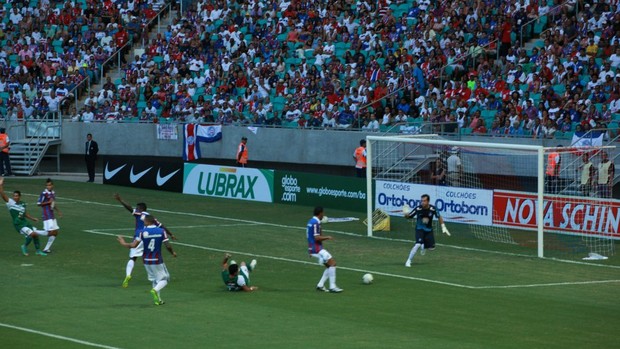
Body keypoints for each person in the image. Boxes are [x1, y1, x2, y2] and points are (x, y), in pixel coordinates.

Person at [114, 193, 176, 288]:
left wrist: (120, 200)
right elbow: (162, 226)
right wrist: (171, 234)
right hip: (150, 239)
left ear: (141, 209)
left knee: (133, 258)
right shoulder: (151, 217)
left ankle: (128, 275)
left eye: (137, 208)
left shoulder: (140, 214)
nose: (136, 209)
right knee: (152, 255)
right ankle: (158, 276)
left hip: (140, 237)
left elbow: (129, 208)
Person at [117, 215, 177, 305]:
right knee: (165, 279)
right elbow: (167, 245)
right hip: (157, 260)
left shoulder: (142, 232)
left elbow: (133, 246)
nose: (143, 222)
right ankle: (155, 290)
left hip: (146, 260)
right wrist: (172, 253)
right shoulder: (161, 231)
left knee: (155, 280)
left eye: (144, 221)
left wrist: (123, 243)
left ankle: (158, 300)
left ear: (148, 222)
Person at [0, 177, 48, 256]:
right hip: (19, 224)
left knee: (35, 234)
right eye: (14, 196)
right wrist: (1, 184)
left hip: (25, 222)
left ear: (19, 196)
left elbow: (25, 214)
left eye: (16, 196)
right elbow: (2, 194)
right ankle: (24, 246)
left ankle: (38, 251)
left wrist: (33, 218)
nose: (15, 197)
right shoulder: (10, 203)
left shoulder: (23, 204)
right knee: (32, 234)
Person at [403, 194, 450, 267]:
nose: (422, 202)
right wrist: (405, 214)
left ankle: (423, 245)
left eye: (424, 201)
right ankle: (408, 261)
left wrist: (443, 227)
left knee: (432, 248)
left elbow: (439, 216)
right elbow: (409, 216)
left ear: (428, 201)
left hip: (429, 230)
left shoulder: (433, 209)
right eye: (422, 201)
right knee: (417, 244)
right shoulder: (418, 208)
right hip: (419, 229)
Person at [307, 206, 343, 293]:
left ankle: (320, 285)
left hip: (313, 248)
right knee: (333, 264)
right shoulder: (315, 223)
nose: (323, 214)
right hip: (317, 249)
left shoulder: (311, 221)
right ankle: (332, 287)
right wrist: (327, 237)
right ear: (320, 213)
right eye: (323, 213)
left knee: (329, 266)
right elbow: (316, 238)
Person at [37, 178, 62, 253]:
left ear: (52, 185)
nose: (48, 186)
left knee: (55, 232)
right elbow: (38, 204)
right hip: (46, 215)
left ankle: (46, 249)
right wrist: (48, 202)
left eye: (50, 185)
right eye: (47, 185)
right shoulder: (44, 193)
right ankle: (34, 232)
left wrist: (58, 211)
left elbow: (53, 203)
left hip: (52, 214)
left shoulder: (53, 193)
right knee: (50, 232)